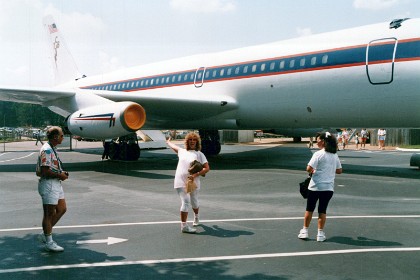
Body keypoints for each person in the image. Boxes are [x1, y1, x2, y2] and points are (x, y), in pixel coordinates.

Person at [298, 132, 342, 242]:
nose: (317, 143)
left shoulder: (318, 154)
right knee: (322, 210)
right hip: (328, 188)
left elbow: (309, 168)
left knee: (309, 209)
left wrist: (314, 170)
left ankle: (305, 231)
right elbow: (339, 170)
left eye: (318, 141)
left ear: (323, 142)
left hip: (315, 186)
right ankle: (320, 234)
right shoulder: (334, 155)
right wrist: (330, 170)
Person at [166, 132, 210, 234]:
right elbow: (174, 147)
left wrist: (195, 175)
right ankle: (184, 226)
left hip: (193, 181)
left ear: (197, 142)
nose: (192, 141)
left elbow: (207, 168)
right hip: (180, 181)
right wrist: (168, 142)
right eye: (190, 140)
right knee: (186, 201)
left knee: (194, 202)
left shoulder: (199, 154)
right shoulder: (182, 151)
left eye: (194, 140)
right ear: (187, 141)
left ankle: (196, 217)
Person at [36, 126, 69, 252]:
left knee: (62, 208)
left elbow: (51, 167)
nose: (63, 137)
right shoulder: (47, 150)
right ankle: (49, 241)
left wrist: (61, 172)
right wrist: (59, 175)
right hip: (49, 184)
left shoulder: (52, 148)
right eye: (61, 135)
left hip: (55, 183)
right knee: (49, 214)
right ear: (55, 137)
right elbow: (45, 171)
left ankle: (45, 233)